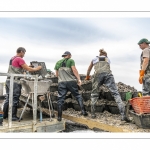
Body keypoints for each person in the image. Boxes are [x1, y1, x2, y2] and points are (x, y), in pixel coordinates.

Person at [85, 49, 128, 121]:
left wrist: (87, 76)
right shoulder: (108, 59)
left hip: (98, 75)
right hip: (108, 75)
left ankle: (93, 114)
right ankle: (123, 115)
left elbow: (89, 69)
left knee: (94, 94)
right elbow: (106, 68)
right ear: (105, 55)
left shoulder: (94, 59)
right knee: (115, 93)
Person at [3, 47, 42, 121]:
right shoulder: (19, 59)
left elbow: (18, 68)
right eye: (24, 53)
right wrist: (38, 68)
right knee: (15, 98)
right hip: (15, 81)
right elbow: (29, 69)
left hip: (8, 80)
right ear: (21, 51)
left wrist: (27, 66)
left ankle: (5, 115)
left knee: (8, 98)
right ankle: (13, 116)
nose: (24, 55)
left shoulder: (12, 58)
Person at [54, 51, 88, 121]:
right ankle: (83, 111)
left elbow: (56, 75)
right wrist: (79, 79)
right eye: (70, 55)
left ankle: (59, 117)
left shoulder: (58, 62)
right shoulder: (71, 60)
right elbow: (74, 70)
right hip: (71, 82)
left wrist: (62, 77)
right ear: (68, 55)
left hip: (62, 82)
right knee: (78, 96)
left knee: (60, 99)